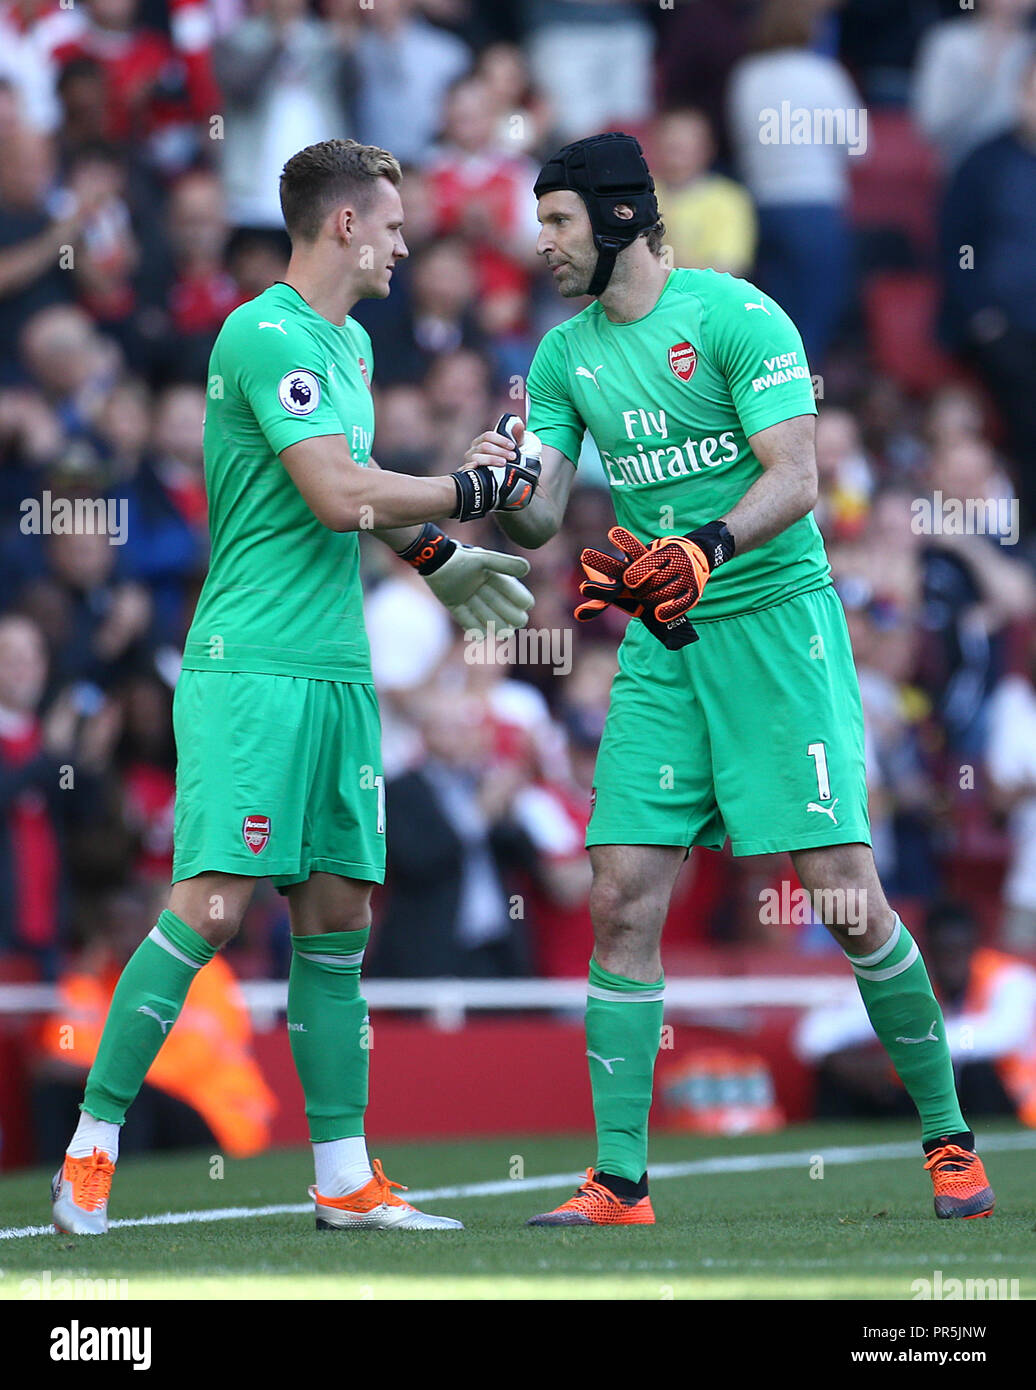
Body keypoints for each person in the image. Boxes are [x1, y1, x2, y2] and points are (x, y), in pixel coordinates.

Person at [473, 130, 995, 1225]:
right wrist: (501, 474)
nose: (544, 241)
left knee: (846, 895)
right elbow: (534, 517)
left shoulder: (736, 316)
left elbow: (795, 477)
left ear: (619, 218)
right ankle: (619, 1181)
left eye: (560, 220)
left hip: (773, 628)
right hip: (664, 645)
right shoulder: (564, 355)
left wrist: (705, 544)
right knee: (619, 894)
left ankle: (950, 1142)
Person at [50, 136, 543, 1237]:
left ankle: (342, 1175)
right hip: (252, 665)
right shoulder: (264, 332)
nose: (407, 243)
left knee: (335, 920)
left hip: (336, 667)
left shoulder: (354, 349)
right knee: (214, 907)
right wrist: (471, 488)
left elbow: (359, 502)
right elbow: (331, 491)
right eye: (395, 222)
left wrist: (436, 556)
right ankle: (91, 1145)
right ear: (344, 225)